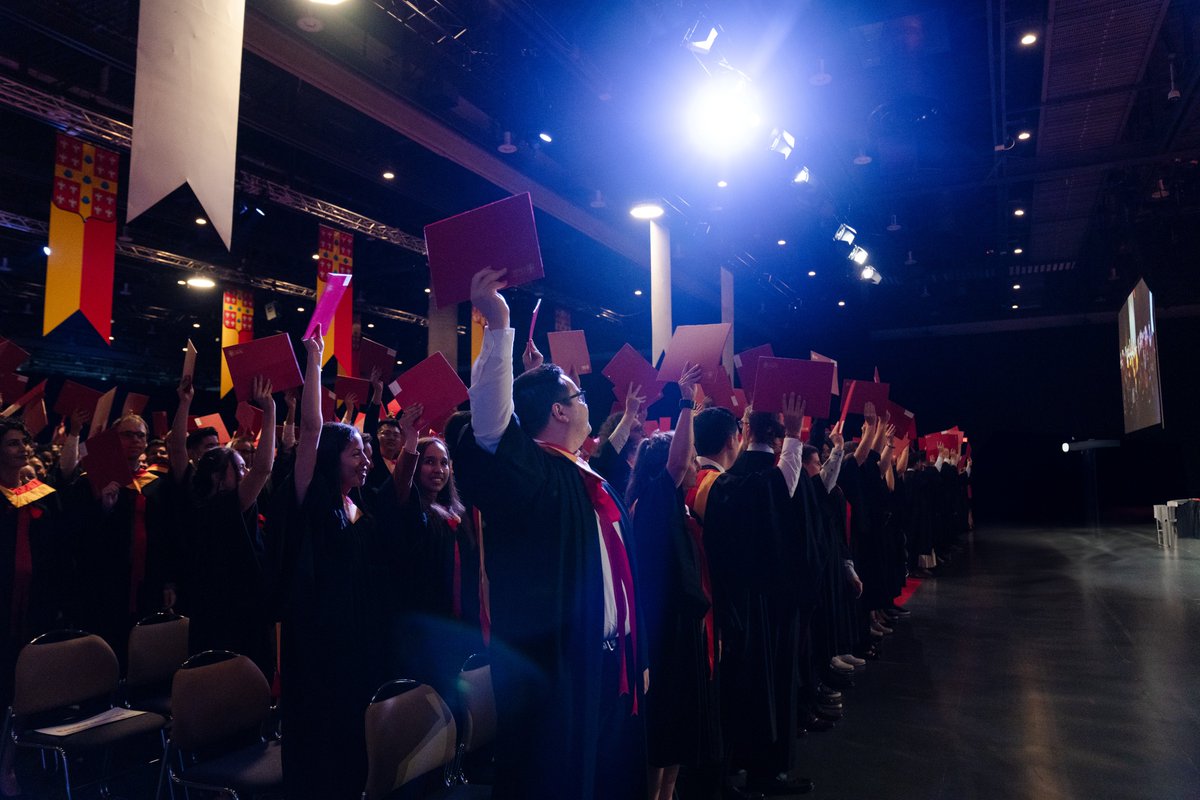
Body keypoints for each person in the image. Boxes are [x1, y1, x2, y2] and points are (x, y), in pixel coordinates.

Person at [449, 267, 647, 800]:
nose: (587, 403)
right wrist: (499, 325)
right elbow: (491, 428)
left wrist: (634, 653)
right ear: (558, 411)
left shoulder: (577, 474)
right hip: (556, 669)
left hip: (606, 659)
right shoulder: (534, 474)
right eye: (578, 395)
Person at [268, 328, 413, 799]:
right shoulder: (310, 500)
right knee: (322, 755)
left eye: (368, 452)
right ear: (333, 458)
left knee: (356, 750)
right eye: (357, 452)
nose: (367, 459)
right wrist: (315, 361)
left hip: (358, 644)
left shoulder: (360, 505)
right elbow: (311, 430)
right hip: (318, 648)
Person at [700, 398, 813, 797]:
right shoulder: (718, 484)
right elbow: (777, 487)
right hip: (742, 607)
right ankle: (750, 774)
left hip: (726, 606)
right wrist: (796, 436)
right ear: (735, 436)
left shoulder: (706, 479)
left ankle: (734, 770)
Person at [625, 364, 718, 800]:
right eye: (689, 460)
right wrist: (684, 403)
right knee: (662, 733)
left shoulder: (674, 508)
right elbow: (679, 460)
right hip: (661, 638)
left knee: (679, 732)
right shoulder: (652, 503)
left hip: (681, 635)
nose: (695, 464)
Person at [175, 374, 277, 677]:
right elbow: (265, 468)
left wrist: (184, 404)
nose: (246, 473)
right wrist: (269, 409)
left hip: (208, 609)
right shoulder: (226, 505)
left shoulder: (196, 501)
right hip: (236, 611)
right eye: (239, 468)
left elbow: (178, 450)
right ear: (220, 477)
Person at [0, 418, 66, 799]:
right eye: (12, 444)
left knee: (20, 692)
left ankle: (9, 763)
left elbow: (58, 553)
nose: (23, 449)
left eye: (24, 442)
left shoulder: (41, 494)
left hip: (33, 610)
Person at [590, 382, 647, 498]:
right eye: (637, 429)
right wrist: (629, 413)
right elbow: (613, 445)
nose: (643, 433)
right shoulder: (608, 458)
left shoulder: (640, 457)